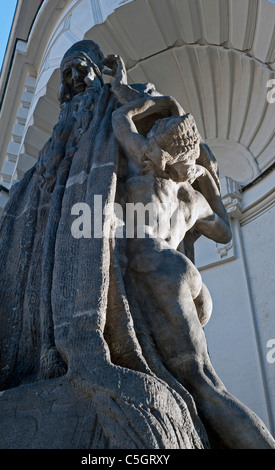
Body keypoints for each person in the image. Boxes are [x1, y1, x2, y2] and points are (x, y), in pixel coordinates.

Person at [109, 61, 275, 448]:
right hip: (186, 277)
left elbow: (120, 118)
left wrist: (146, 97)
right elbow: (222, 229)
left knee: (202, 383)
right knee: (197, 378)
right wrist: (204, 177)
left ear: (158, 142)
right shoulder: (193, 197)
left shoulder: (144, 166)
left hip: (153, 266)